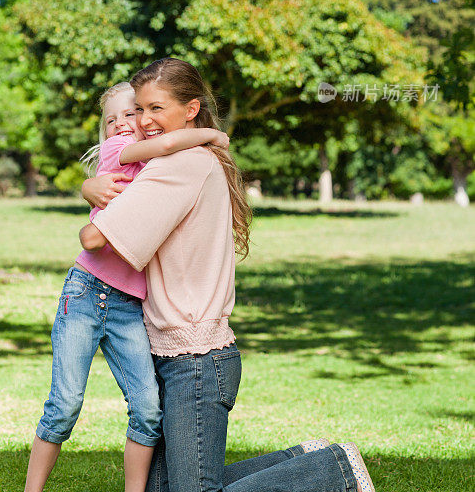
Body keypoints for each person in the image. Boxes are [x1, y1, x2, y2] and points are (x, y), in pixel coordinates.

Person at [79, 58, 376, 492]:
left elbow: (93, 237)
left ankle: (334, 473)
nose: (143, 121)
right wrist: (92, 186)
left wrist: (90, 192)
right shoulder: (195, 158)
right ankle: (305, 461)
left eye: (156, 108)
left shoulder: (177, 166)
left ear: (191, 110)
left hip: (194, 362)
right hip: (176, 354)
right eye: (139, 109)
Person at [24, 81, 230, 492]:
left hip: (129, 305)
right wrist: (211, 134)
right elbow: (169, 144)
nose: (121, 124)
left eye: (130, 115)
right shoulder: (122, 152)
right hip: (86, 293)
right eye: (111, 119)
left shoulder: (153, 165)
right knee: (64, 406)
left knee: (148, 410)